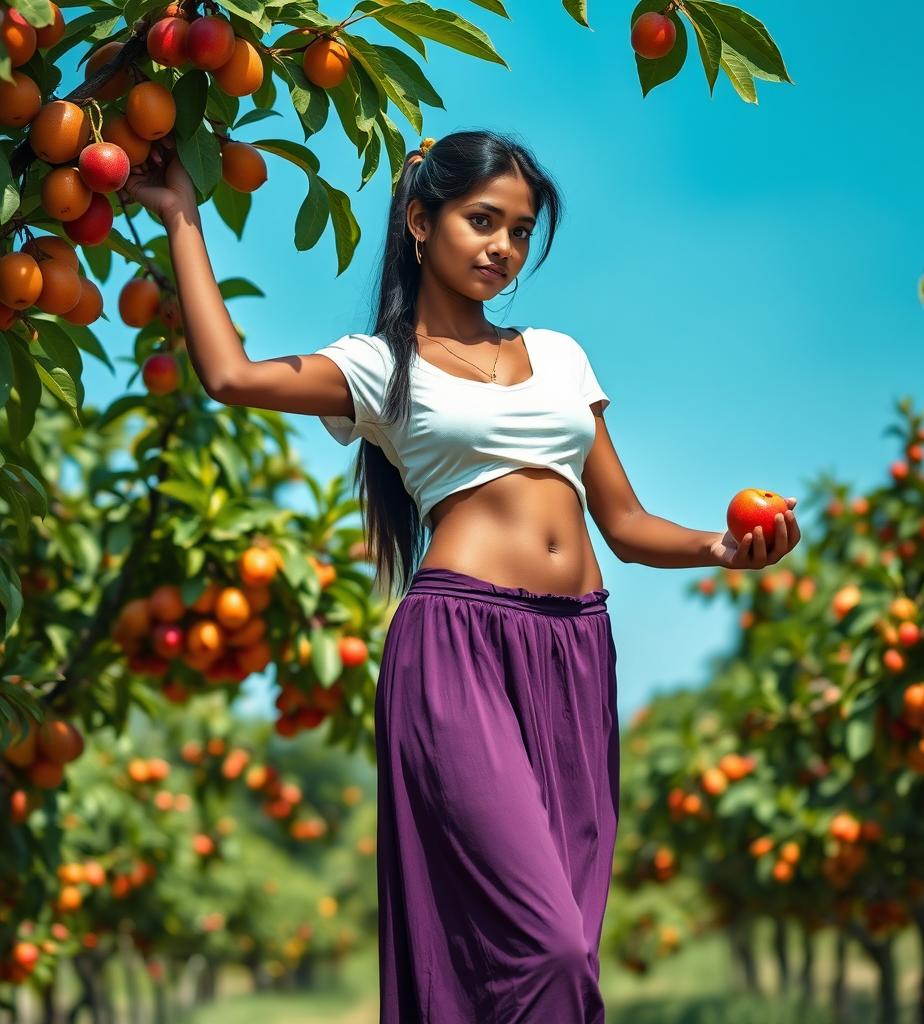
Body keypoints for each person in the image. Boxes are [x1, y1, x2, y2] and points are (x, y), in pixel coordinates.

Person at [120, 127, 801, 1022]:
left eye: (520, 232)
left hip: (576, 651)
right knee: (548, 952)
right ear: (418, 220)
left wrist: (719, 547)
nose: (503, 248)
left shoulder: (560, 355)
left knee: (572, 946)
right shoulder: (379, 367)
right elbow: (231, 375)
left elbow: (626, 526)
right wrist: (182, 220)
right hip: (457, 650)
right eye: (483, 220)